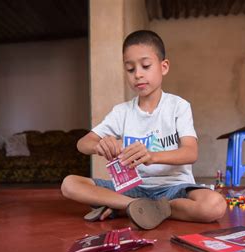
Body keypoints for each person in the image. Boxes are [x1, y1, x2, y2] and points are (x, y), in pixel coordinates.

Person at [61, 30, 226, 229]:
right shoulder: (121, 112)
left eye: (145, 66)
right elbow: (82, 144)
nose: (138, 74)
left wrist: (151, 156)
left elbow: (190, 152)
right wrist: (100, 145)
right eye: (130, 69)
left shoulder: (178, 106)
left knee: (214, 205)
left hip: (173, 188)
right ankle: (134, 205)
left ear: (164, 67)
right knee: (69, 184)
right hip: (132, 189)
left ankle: (138, 207)